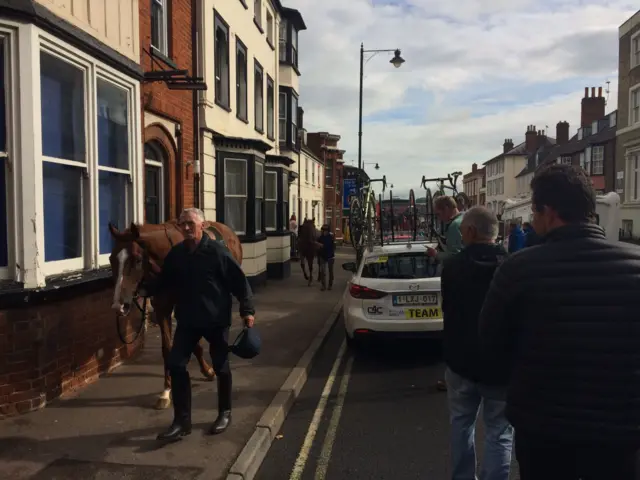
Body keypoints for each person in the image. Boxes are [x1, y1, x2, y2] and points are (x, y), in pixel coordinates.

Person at [479, 164, 640, 480]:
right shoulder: (635, 266)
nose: (533, 220)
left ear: (548, 212)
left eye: (535, 212)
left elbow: (491, 350)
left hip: (544, 431)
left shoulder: (517, 270)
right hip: (620, 433)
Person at [153, 208, 256, 442]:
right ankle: (182, 421)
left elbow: (239, 282)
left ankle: (224, 413)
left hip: (215, 320)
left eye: (191, 223)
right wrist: (142, 287)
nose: (187, 228)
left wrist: (247, 310)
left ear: (202, 225)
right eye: (183, 224)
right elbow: (164, 281)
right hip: (188, 321)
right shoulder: (177, 254)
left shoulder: (217, 252)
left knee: (221, 367)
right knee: (176, 365)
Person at [442, 206, 513, 480]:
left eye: (462, 231)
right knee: (500, 431)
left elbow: (448, 309)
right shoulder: (513, 264)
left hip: (462, 363)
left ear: (471, 231)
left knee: (461, 425)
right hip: (501, 367)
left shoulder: (452, 267)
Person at [426, 196, 464, 392]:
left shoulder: (455, 226)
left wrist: (436, 255)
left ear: (448, 208)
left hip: (456, 284)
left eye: (439, 212)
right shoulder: (463, 221)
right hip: (464, 285)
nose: (438, 217)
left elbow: (457, 256)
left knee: (454, 335)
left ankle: (453, 380)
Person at [316, 223, 335, 291]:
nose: (323, 231)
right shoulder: (320, 237)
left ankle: (330, 285)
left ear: (327, 231)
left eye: (324, 230)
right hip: (322, 256)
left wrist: (319, 244)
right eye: (322, 230)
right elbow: (318, 247)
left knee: (330, 272)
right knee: (323, 271)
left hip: (330, 256)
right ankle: (323, 285)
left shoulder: (330, 237)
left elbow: (325, 246)